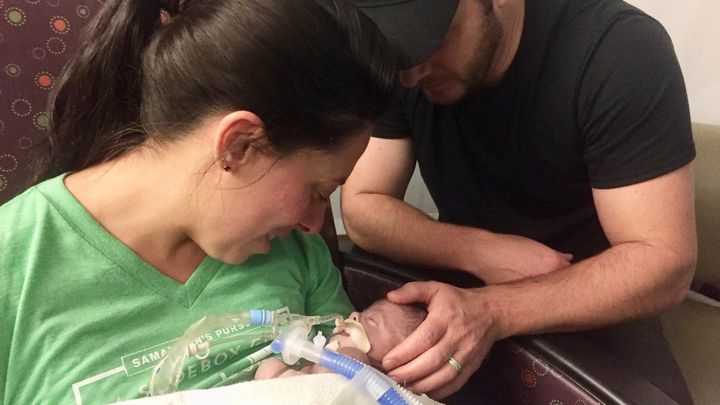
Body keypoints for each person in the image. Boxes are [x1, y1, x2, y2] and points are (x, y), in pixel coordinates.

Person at [0, 0, 398, 403]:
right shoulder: (14, 264)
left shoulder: (299, 252)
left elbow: (357, 383)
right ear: (238, 146)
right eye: (319, 191)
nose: (314, 224)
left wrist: (408, 337)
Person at [342, 0, 696, 402]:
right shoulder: (406, 68)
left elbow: (664, 263)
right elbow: (363, 205)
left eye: (432, 40)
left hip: (594, 296)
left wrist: (494, 309)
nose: (410, 75)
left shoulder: (618, 50)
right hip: (455, 283)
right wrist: (480, 251)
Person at [254, 298, 428, 379]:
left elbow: (340, 370)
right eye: (361, 313)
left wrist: (349, 354)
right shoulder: (310, 366)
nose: (353, 315)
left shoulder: (373, 381)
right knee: (270, 366)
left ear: (401, 357)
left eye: (372, 320)